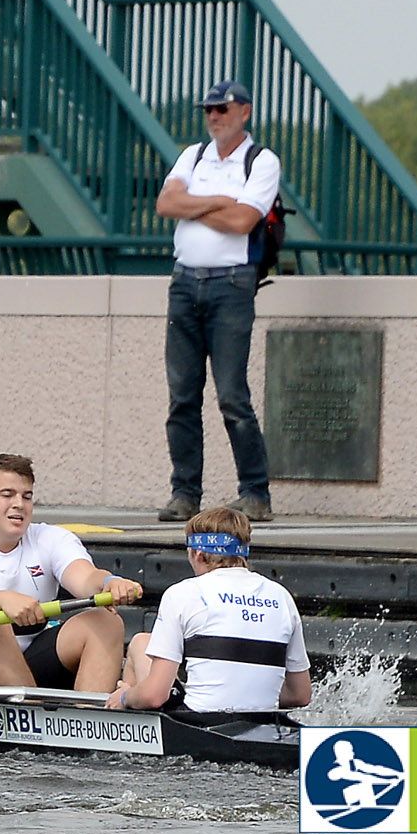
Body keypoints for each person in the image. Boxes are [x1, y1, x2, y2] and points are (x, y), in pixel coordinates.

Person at [155, 78, 283, 523]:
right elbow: (166, 204)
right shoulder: (193, 155)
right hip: (185, 283)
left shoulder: (261, 161)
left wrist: (194, 203)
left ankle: (255, 491)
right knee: (182, 395)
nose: (213, 116)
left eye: (222, 109)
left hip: (231, 286)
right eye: (209, 109)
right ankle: (184, 492)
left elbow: (245, 220)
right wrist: (216, 202)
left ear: (244, 112)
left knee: (232, 393)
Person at [0, 453, 144, 693]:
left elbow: (85, 577)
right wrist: (3, 598)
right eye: (7, 495)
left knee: (106, 621)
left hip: (22, 662)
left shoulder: (51, 538)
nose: (19, 504)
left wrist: (109, 581)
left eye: (27, 496)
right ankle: (33, 720)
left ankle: (88, 719)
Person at [109, 506, 310, 715]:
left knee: (141, 642)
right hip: (264, 724)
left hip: (199, 724)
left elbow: (154, 696)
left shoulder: (184, 593)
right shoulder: (281, 596)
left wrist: (125, 696)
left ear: (198, 553)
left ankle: (122, 719)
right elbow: (300, 695)